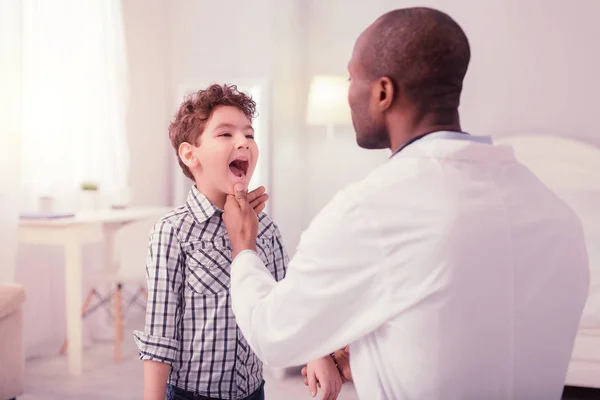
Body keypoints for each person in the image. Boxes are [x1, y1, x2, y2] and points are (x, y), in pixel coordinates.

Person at [221, 7, 590, 400]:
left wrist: (244, 248)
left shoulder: (371, 212)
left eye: (351, 77)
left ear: (383, 92)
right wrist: (370, 355)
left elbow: (273, 334)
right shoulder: (558, 218)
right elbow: (466, 336)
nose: (348, 93)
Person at [133, 84, 343, 400]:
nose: (243, 142)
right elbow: (160, 336)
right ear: (191, 154)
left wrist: (318, 353)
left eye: (249, 134)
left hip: (252, 391)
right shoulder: (172, 232)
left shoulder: (266, 229)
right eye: (226, 134)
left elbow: (289, 302)